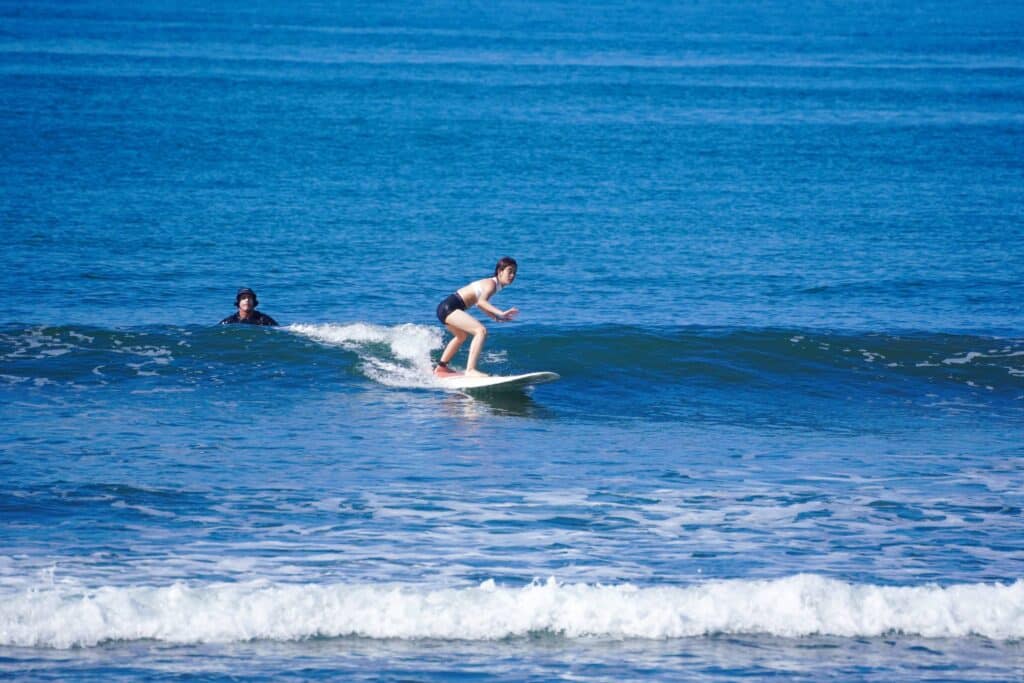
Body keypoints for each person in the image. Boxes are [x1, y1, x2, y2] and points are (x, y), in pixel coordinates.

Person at [435, 257, 519, 377]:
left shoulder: (494, 285)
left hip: (446, 308)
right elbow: (481, 302)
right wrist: (500, 313)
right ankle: (470, 370)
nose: (512, 275)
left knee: (461, 336)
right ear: (500, 271)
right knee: (481, 331)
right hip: (449, 308)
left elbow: (480, 305)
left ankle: (441, 368)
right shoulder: (491, 284)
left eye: (514, 273)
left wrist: (495, 317)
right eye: (509, 271)